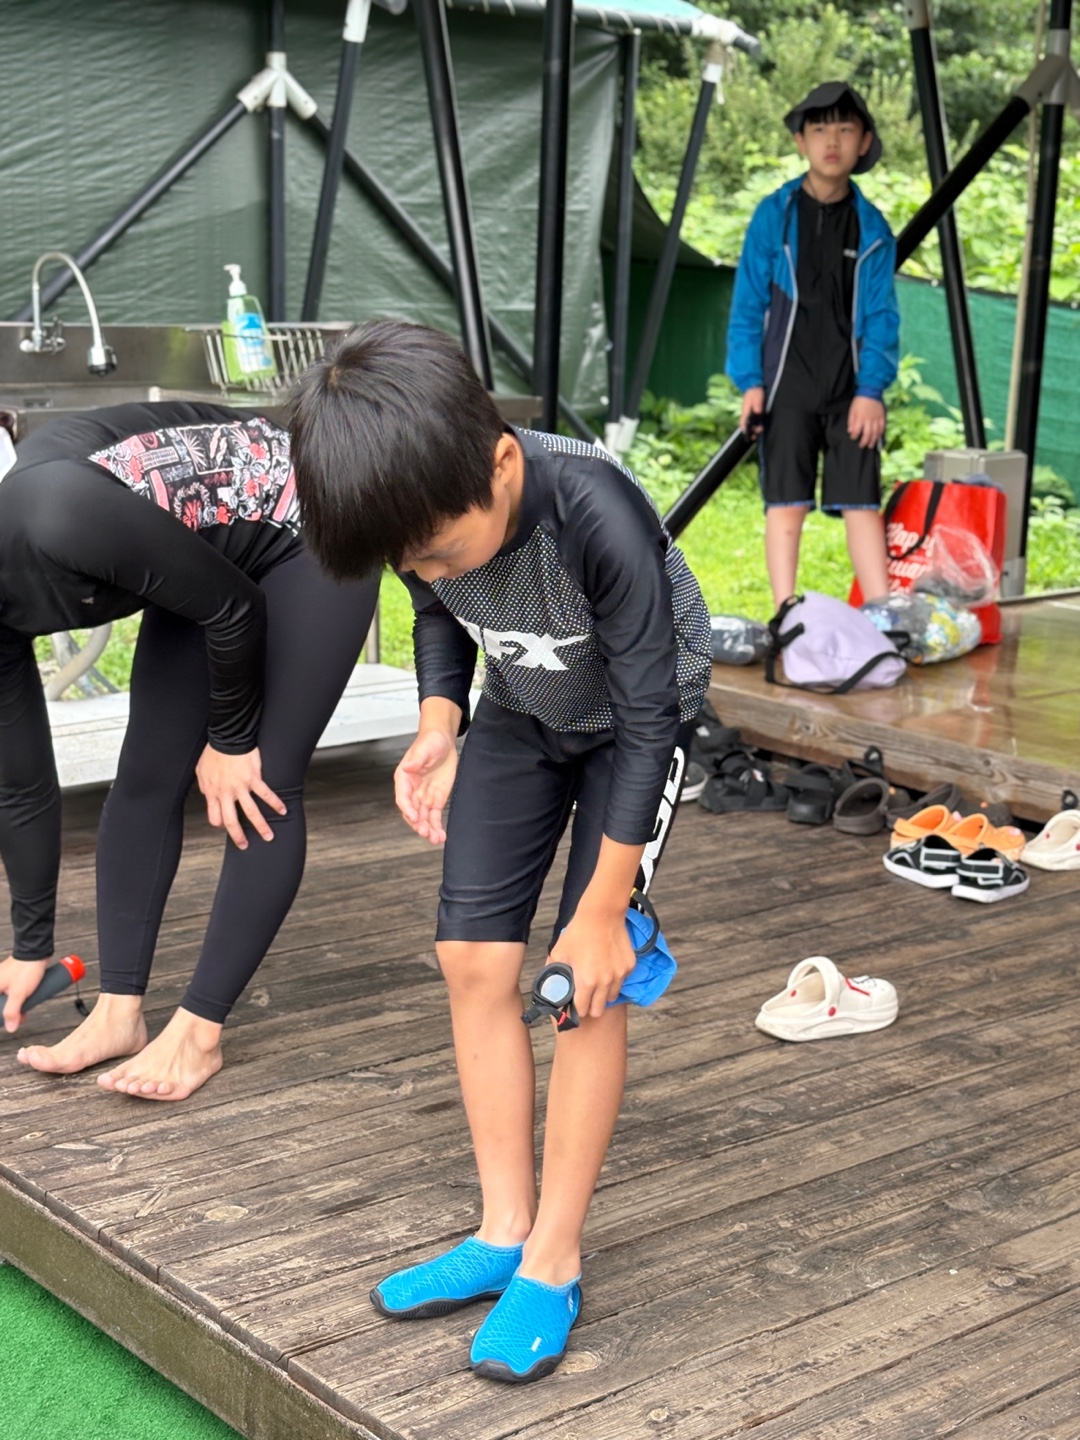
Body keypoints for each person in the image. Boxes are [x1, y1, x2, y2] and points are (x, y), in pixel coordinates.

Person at [289, 320, 712, 1383]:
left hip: (634, 730)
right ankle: (503, 1231)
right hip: (523, 710)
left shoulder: (594, 508)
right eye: (409, 561)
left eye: (439, 548)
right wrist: (439, 724)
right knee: (471, 958)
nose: (427, 571)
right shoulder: (425, 514)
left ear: (503, 464)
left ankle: (555, 1261)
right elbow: (440, 609)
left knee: (581, 984)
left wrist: (603, 911)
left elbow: (652, 716)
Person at [0, 401, 378, 1099]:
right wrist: (30, 947)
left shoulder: (56, 513)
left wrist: (230, 740)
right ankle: (117, 1015)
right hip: (211, 562)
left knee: (262, 781)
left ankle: (199, 1035)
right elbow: (19, 786)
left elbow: (235, 610)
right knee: (146, 776)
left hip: (310, 526)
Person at [726, 80, 900, 609]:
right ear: (801, 141)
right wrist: (751, 383)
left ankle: (882, 614)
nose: (832, 141)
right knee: (786, 504)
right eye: (820, 129)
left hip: (852, 391)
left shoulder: (873, 228)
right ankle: (786, 613)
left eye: (845, 130)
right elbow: (748, 305)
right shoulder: (773, 216)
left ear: (863, 142)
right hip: (787, 385)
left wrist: (871, 390)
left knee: (862, 504)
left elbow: (882, 316)